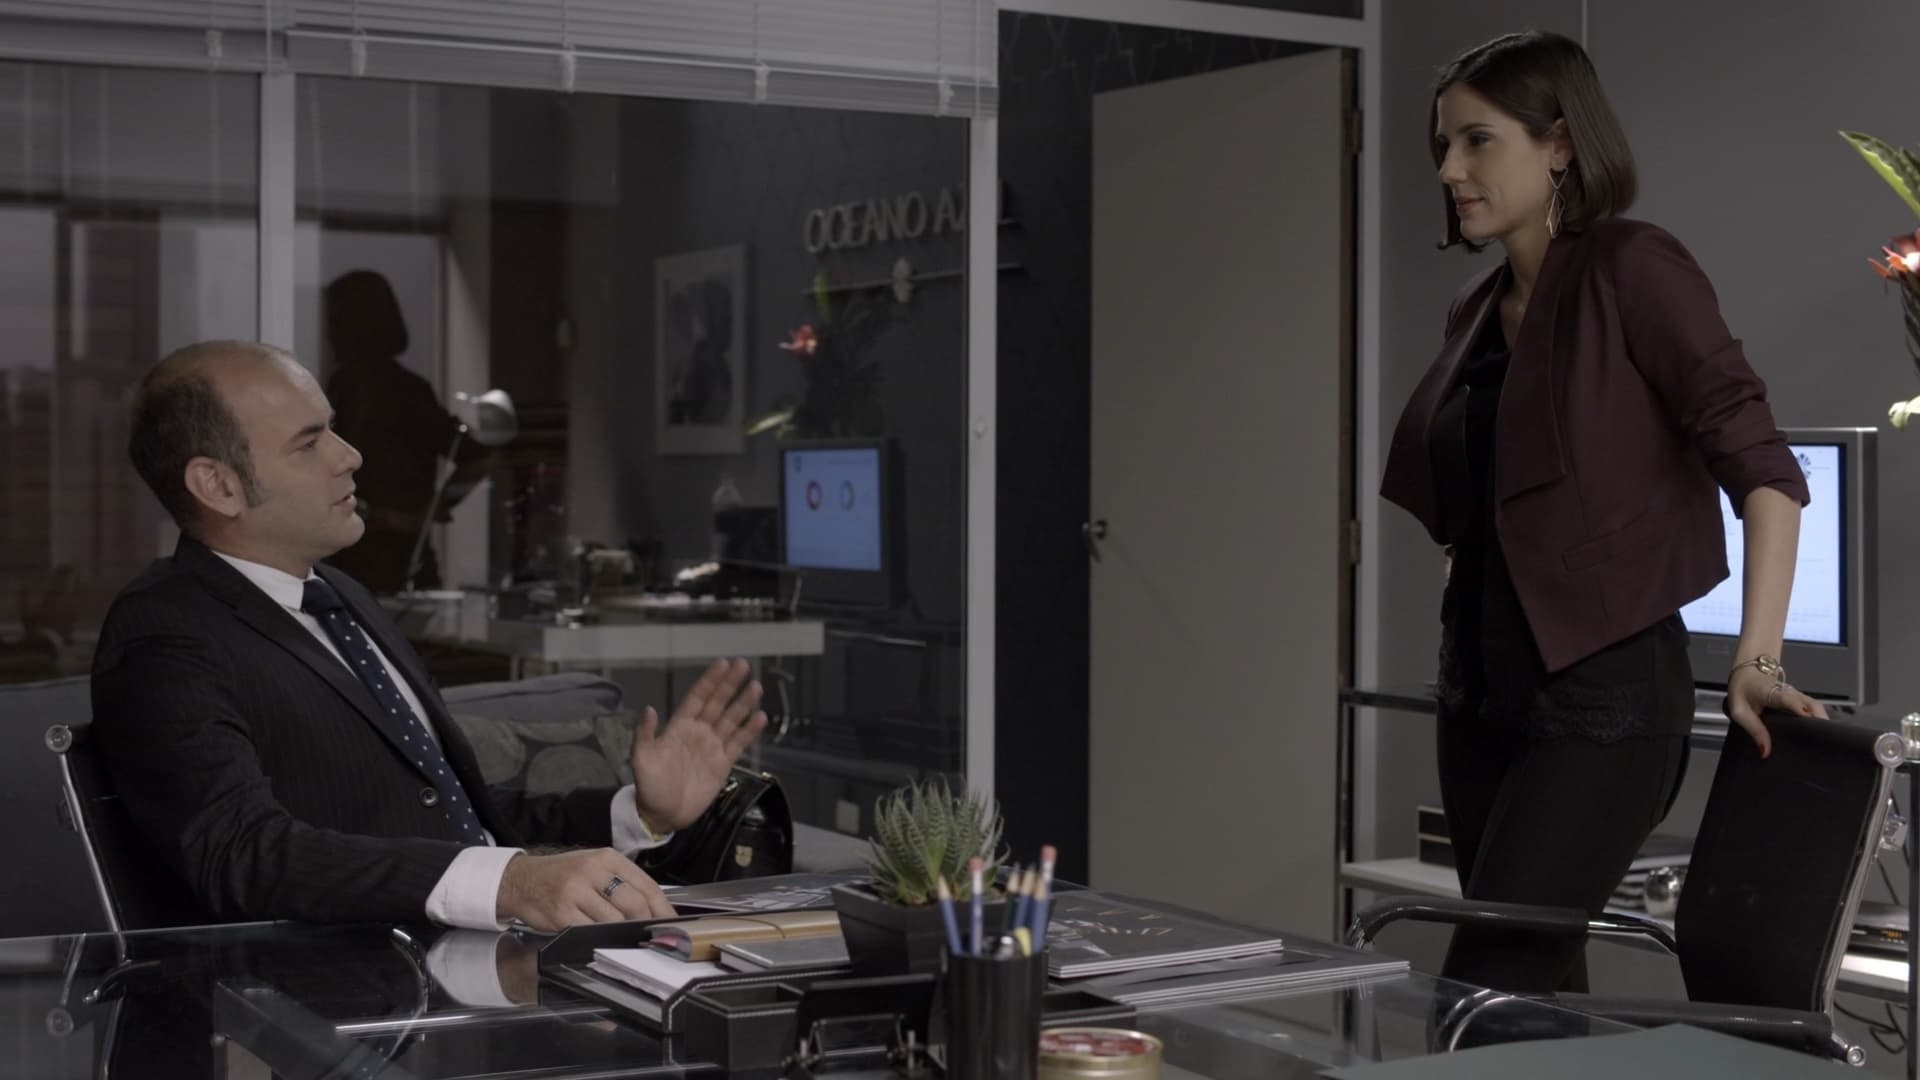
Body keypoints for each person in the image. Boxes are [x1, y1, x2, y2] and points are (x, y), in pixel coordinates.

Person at [1379, 31, 1827, 994]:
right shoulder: (1475, 305)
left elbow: (1766, 473)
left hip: (1603, 702)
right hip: (1477, 694)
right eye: (1444, 145)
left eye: (1477, 141)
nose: (1449, 170)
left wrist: (1756, 662)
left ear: (1560, 145)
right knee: (1536, 996)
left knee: (1490, 986)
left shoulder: (1634, 267)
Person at [93, 339, 768, 932]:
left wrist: (638, 813)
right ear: (218, 485)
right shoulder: (165, 633)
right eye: (308, 443)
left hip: (483, 958)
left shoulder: (341, 597)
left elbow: (450, 811)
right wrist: (508, 884)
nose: (350, 456)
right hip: (349, 994)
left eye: (333, 430)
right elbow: (241, 854)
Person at [321, 269, 480, 593]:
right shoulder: (340, 388)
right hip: (343, 554)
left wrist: (419, 515)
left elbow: (477, 457)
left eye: (337, 322)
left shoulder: (406, 392)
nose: (330, 333)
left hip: (394, 558)